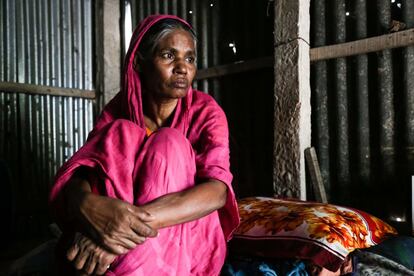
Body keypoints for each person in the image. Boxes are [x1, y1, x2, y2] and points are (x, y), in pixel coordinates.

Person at [49, 14, 240, 275]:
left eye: (190, 58)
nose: (182, 67)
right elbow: (84, 173)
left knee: (169, 142)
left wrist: (118, 234)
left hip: (190, 240)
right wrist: (87, 204)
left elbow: (217, 191)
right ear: (140, 62)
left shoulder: (206, 111)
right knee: (122, 133)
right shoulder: (118, 111)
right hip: (126, 230)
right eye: (169, 56)